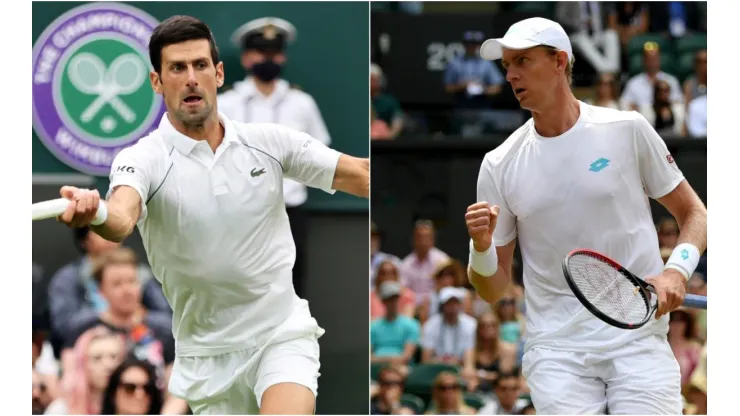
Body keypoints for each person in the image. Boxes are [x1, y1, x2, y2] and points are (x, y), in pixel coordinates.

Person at [55, 15, 369, 415]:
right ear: (157, 82)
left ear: (218, 73)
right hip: (206, 356)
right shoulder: (142, 159)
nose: (190, 78)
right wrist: (94, 212)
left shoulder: (270, 141)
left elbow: (361, 175)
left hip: (279, 334)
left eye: (200, 65)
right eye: (177, 68)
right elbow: (120, 219)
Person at [469, 17, 707, 414]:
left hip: (638, 341)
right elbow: (492, 289)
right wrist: (480, 248)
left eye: (523, 61)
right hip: (557, 352)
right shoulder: (498, 164)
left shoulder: (627, 129)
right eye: (507, 65)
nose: (510, 74)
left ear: (560, 61)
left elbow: (694, 213)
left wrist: (675, 271)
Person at [218, 17, 332, 299]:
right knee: (238, 282)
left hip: (289, 208)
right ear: (246, 58)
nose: (268, 59)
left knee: (291, 282)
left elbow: (321, 153)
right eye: (261, 52)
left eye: (273, 53)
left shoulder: (302, 103)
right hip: (239, 208)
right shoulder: (226, 103)